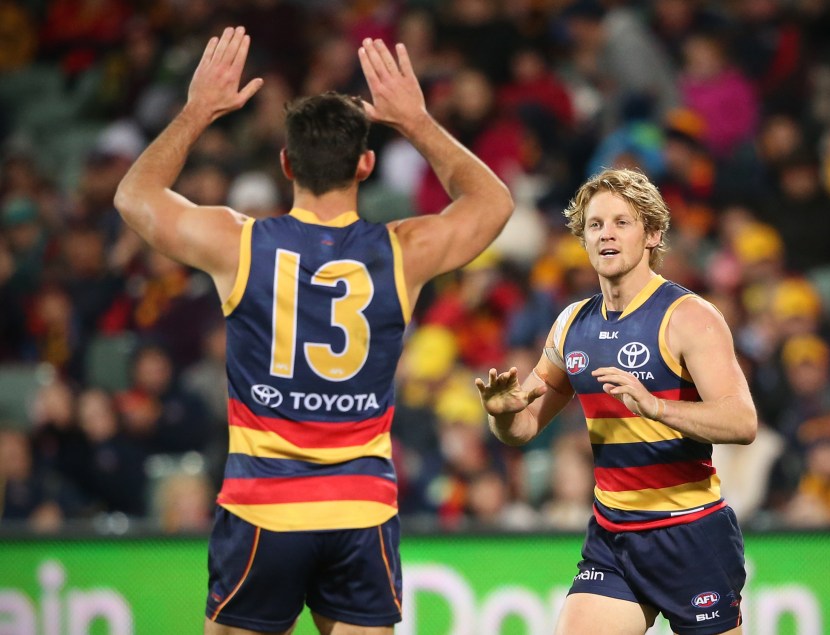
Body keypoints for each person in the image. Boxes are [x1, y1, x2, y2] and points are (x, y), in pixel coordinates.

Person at [114, 27, 513, 635]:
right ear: (367, 163)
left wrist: (198, 111)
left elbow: (134, 195)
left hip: (262, 510)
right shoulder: (403, 252)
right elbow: (493, 202)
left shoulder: (240, 244)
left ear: (285, 163)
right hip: (360, 510)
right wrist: (417, 121)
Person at [476, 168, 757, 635]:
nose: (606, 233)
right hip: (614, 535)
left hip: (690, 533)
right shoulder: (571, 325)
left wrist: (658, 407)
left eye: (621, 222)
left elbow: (742, 421)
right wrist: (503, 415)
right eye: (595, 224)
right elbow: (523, 430)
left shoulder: (689, 317)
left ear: (653, 233)